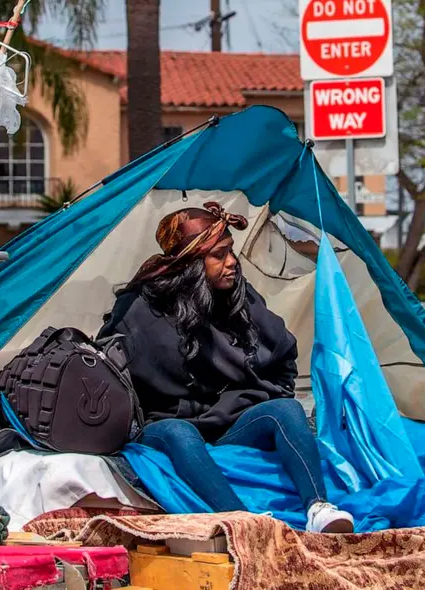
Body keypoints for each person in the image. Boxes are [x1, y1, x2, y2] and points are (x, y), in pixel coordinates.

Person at [98, 202, 354, 533]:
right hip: (166, 427)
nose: (232, 263)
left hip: (229, 425)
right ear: (190, 263)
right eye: (219, 255)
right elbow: (113, 376)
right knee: (181, 432)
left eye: (231, 251)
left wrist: (258, 395)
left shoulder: (238, 298)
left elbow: (281, 356)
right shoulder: (139, 310)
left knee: (286, 409)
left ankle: (319, 509)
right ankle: (245, 523)